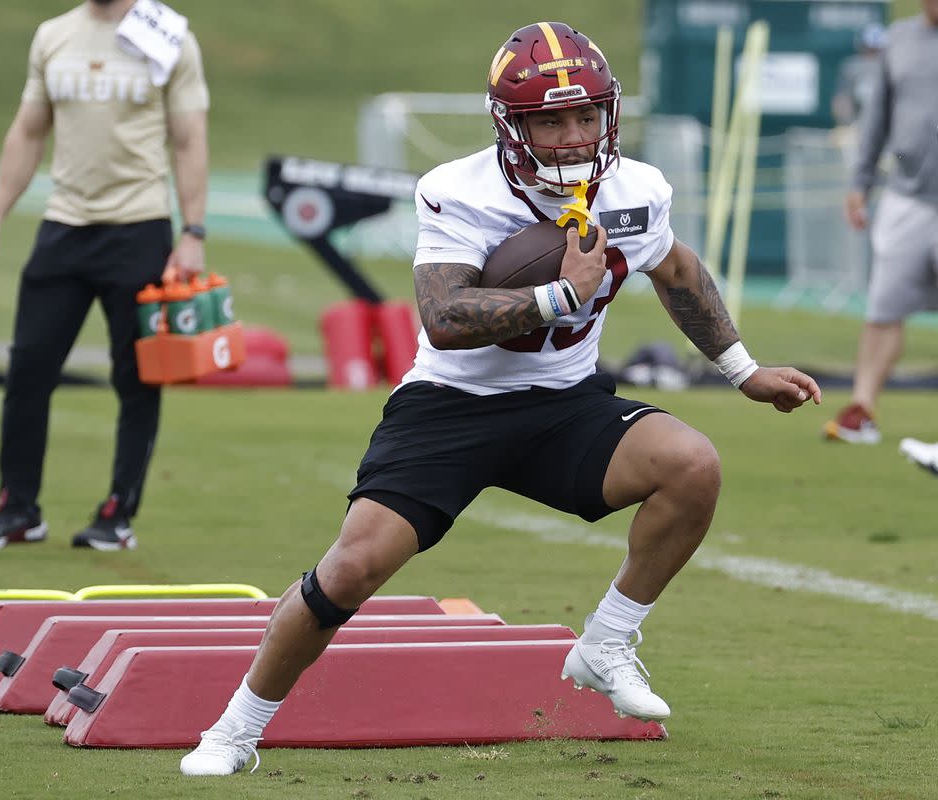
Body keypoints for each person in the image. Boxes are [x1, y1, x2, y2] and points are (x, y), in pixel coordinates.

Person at [178, 21, 822, 777]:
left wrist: (743, 370)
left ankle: (607, 642)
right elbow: (446, 320)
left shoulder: (636, 189)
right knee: (350, 571)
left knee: (693, 465)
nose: (574, 134)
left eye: (587, 114)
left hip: (564, 403)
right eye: (551, 119)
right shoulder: (459, 190)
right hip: (451, 406)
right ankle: (235, 729)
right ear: (511, 125)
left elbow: (675, 272)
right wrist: (559, 296)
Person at [0, 0, 209, 551]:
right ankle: (17, 509)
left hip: (139, 228)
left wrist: (192, 232)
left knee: (136, 380)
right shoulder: (53, 35)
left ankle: (117, 513)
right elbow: (26, 132)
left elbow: (188, 138)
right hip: (64, 227)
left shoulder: (168, 36)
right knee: (27, 369)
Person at [824, 1, 938, 444]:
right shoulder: (900, 40)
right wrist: (861, 182)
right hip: (906, 196)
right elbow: (877, 119)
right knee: (883, 309)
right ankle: (861, 411)